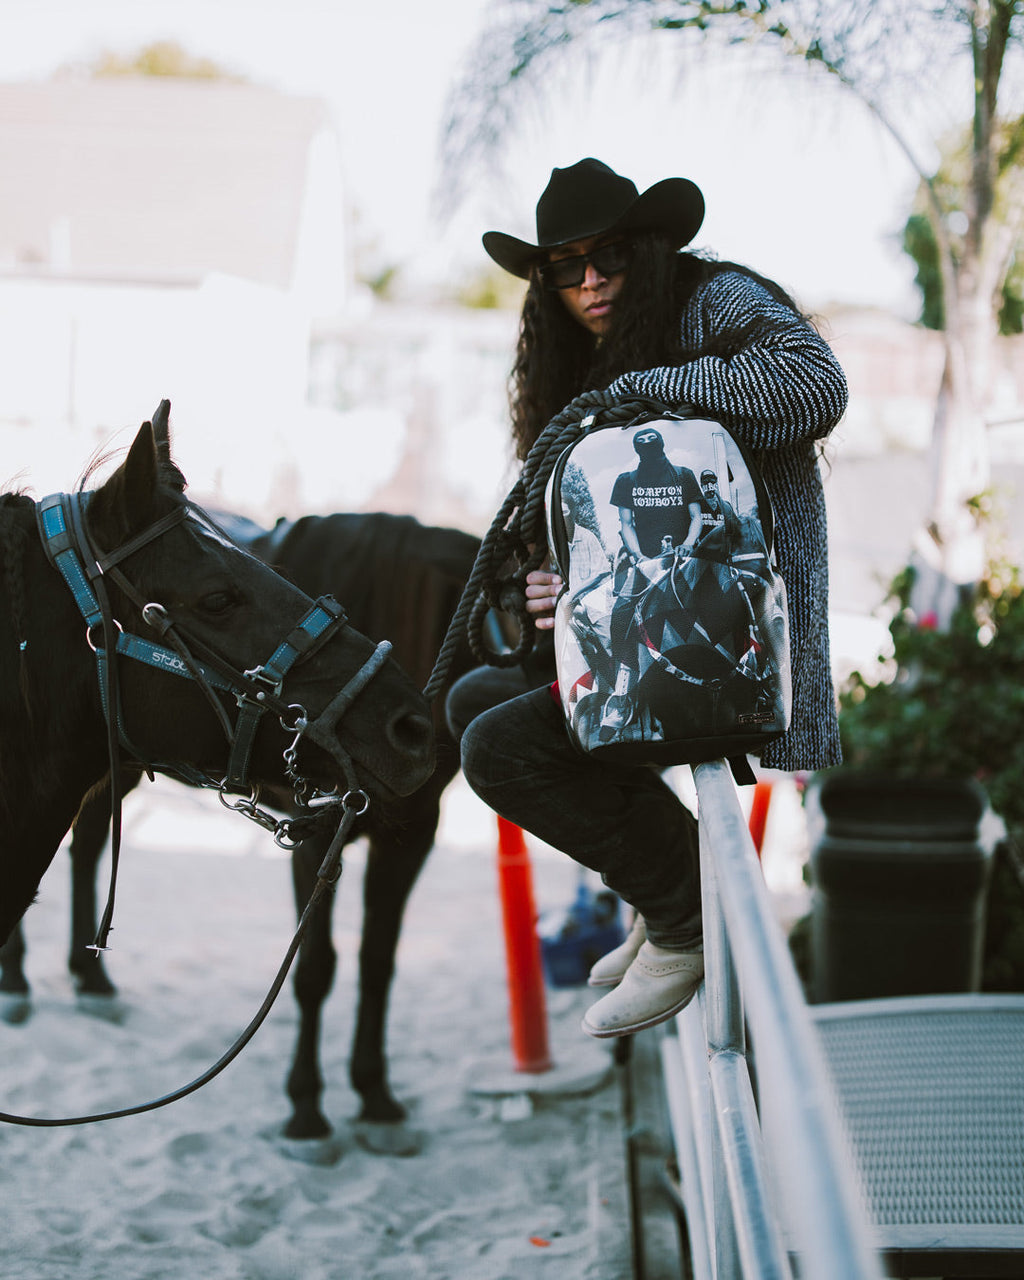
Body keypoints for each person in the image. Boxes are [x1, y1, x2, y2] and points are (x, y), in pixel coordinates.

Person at [450, 157, 847, 1038]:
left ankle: (685, 917)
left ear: (651, 251)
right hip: (648, 641)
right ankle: (670, 886)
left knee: (499, 749)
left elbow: (815, 381)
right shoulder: (583, 358)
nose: (590, 282)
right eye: (566, 267)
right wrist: (552, 582)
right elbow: (586, 532)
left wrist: (645, 391)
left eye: (612, 257)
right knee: (475, 696)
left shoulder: (713, 302)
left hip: (731, 642)